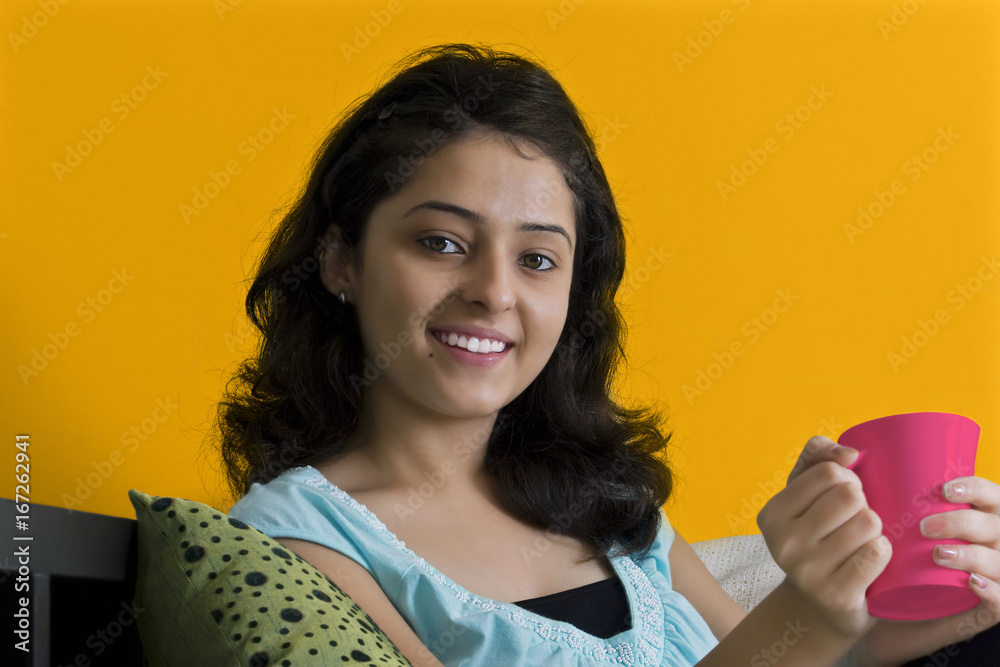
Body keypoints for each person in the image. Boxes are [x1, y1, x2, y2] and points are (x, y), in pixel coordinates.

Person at [215, 43, 1000, 666]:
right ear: (340, 260)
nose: (494, 292)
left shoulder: (608, 501)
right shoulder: (296, 541)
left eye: (537, 259)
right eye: (442, 242)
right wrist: (812, 614)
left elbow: (776, 653)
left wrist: (898, 622)